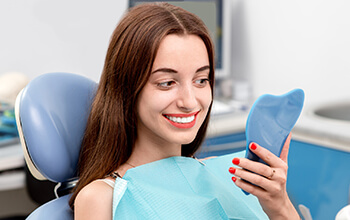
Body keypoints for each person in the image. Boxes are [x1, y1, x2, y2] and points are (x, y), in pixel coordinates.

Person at [69, 3, 300, 219]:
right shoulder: (102, 198)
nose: (189, 102)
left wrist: (280, 206)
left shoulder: (228, 175)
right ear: (127, 88)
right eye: (167, 83)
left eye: (201, 80)